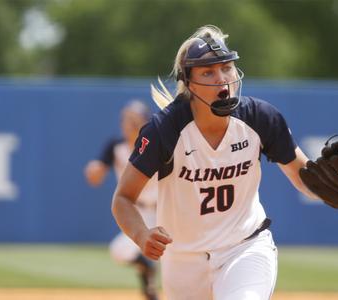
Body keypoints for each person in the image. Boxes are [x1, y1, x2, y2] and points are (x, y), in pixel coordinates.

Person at [111, 25, 321, 299]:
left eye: (227, 68)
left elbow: (303, 175)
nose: (221, 78)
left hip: (244, 247)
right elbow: (123, 198)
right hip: (183, 258)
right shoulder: (165, 130)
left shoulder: (260, 118)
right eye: (208, 72)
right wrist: (140, 234)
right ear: (189, 83)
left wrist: (328, 185)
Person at [84, 100, 159, 300]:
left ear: (145, 122)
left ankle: (150, 284)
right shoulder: (116, 146)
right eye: (126, 120)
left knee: (180, 260)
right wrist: (95, 169)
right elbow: (97, 171)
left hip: (165, 210)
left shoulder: (156, 144)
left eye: (134, 120)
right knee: (119, 251)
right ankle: (147, 271)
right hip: (139, 212)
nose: (129, 124)